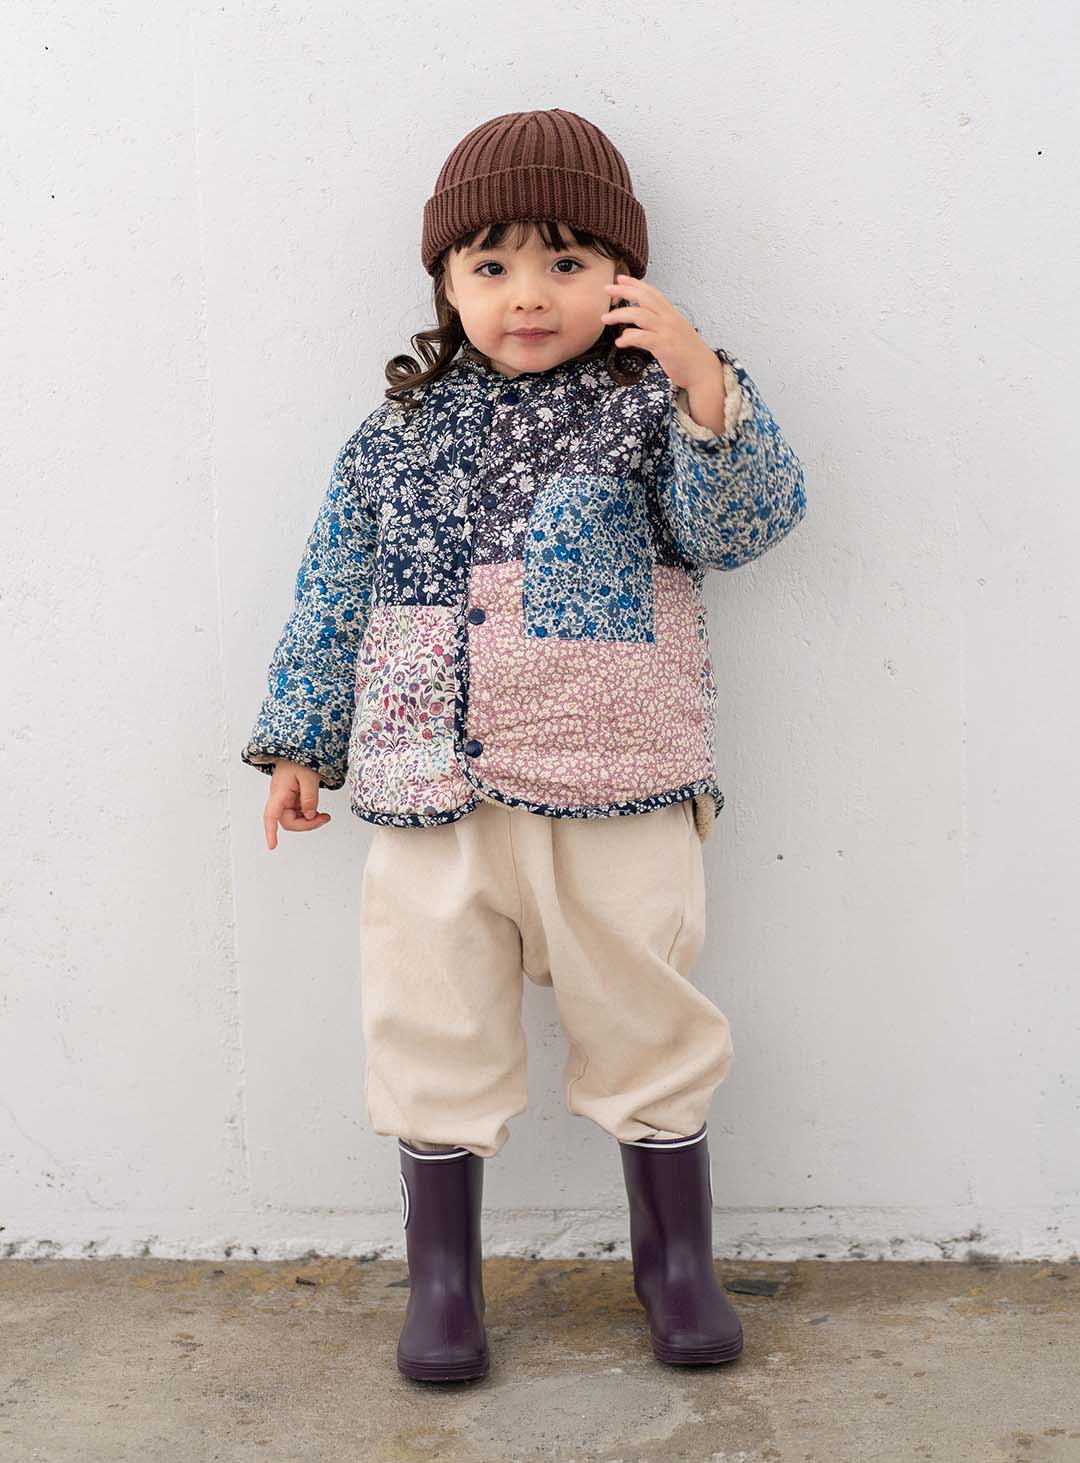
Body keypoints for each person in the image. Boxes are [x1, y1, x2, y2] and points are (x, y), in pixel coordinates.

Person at [241, 108, 807, 1382]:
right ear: (446, 283)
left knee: (647, 1018)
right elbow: (332, 590)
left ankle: (676, 1262)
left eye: (566, 261)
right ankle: (443, 1279)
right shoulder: (395, 434)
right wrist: (299, 740)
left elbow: (740, 529)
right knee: (429, 1019)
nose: (529, 295)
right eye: (491, 265)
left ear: (624, 277)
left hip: (620, 779)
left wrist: (705, 383)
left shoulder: (649, 409)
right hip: (426, 789)